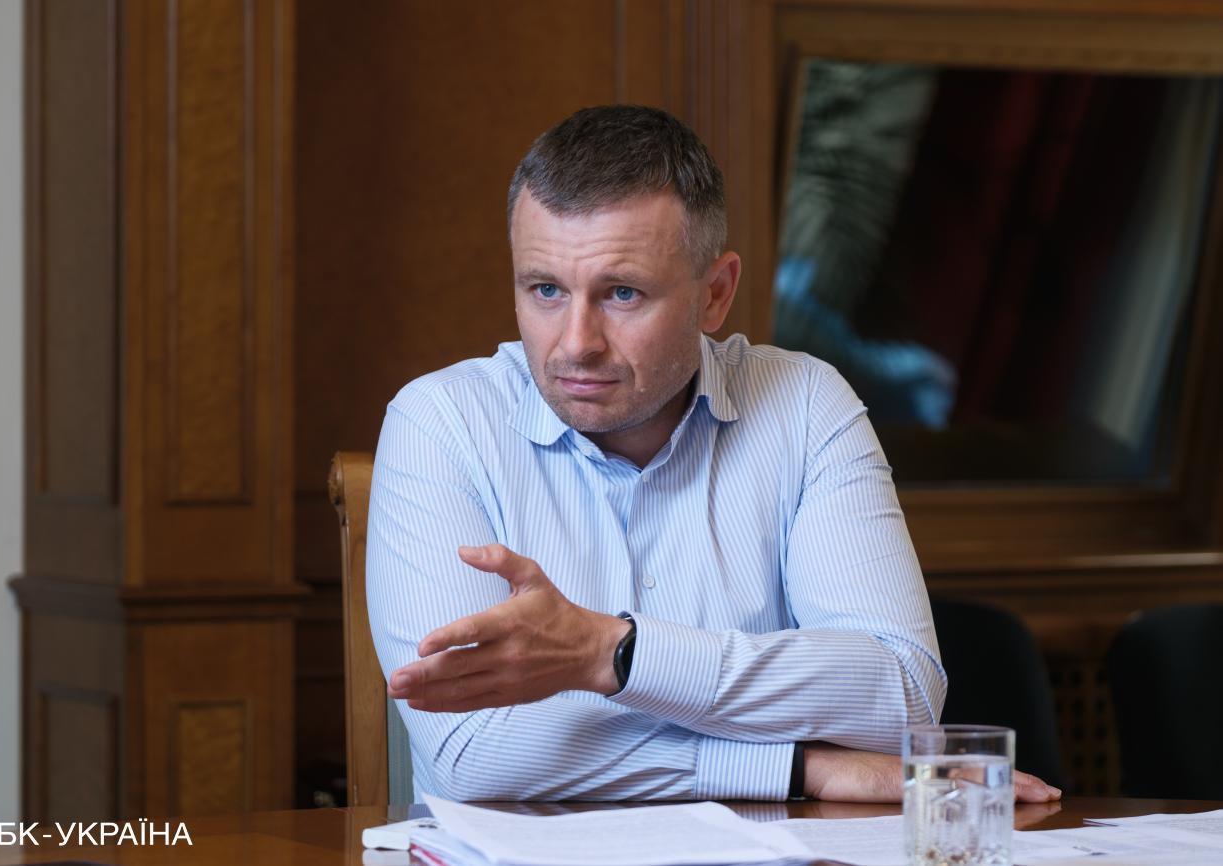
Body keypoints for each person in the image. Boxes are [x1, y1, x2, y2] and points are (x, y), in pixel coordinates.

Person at [366, 105, 1061, 804]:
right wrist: (800, 767)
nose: (576, 343)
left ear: (715, 294)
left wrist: (612, 654)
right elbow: (473, 754)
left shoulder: (806, 405)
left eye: (622, 293)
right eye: (546, 289)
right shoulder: (442, 424)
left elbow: (900, 693)